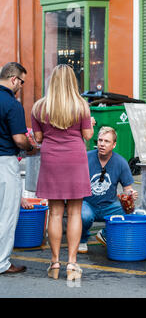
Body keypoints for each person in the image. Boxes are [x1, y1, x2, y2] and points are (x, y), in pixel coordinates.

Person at [31, 64, 94, 281]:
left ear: (52, 81)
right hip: (75, 158)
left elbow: (38, 139)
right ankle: (72, 264)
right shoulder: (81, 106)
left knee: (55, 212)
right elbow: (87, 135)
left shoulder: (39, 107)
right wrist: (91, 124)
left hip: (51, 159)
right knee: (75, 212)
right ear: (72, 82)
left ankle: (55, 262)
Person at [0, 62, 37, 275]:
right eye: (21, 82)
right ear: (14, 79)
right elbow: (19, 139)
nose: (21, 86)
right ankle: (2, 263)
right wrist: (30, 147)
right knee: (6, 215)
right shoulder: (12, 104)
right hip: (5, 162)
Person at [78, 126, 138, 253]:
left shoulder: (121, 162)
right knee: (84, 216)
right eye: (100, 140)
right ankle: (82, 240)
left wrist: (131, 194)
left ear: (114, 145)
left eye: (106, 141)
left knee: (131, 211)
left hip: (110, 205)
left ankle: (104, 234)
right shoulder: (85, 158)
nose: (102, 144)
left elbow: (128, 189)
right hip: (87, 203)